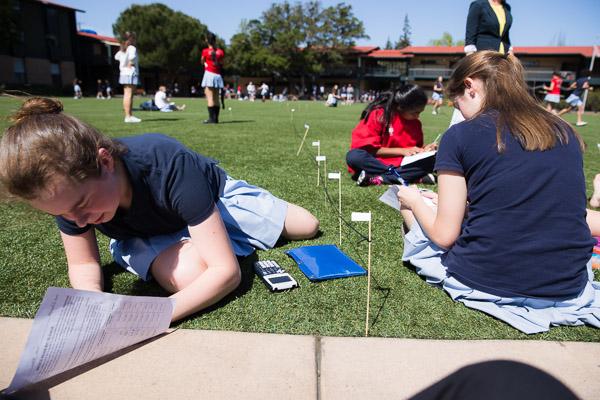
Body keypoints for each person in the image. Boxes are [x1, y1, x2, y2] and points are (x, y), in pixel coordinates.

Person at [0, 98, 320, 324]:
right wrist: (93, 300)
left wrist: (151, 316)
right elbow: (83, 263)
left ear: (106, 161)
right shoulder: (66, 196)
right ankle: (208, 239)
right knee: (194, 276)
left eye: (82, 206)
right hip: (144, 235)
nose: (79, 221)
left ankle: (217, 229)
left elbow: (227, 274)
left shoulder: (168, 163)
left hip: (212, 199)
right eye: (64, 214)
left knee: (307, 225)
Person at [397, 51, 600, 334]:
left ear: (470, 86)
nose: (460, 113)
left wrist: (415, 201)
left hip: (489, 279)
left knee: (411, 209)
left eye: (457, 104)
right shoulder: (563, 130)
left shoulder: (460, 135)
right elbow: (530, 203)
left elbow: (445, 236)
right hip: (567, 283)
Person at [346, 84, 437, 187]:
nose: (417, 116)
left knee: (435, 158)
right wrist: (402, 151)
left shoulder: (416, 123)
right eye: (414, 112)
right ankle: (410, 176)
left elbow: (414, 150)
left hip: (403, 163)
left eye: (420, 112)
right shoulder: (380, 115)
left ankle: (380, 178)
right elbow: (369, 149)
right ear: (400, 107)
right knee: (353, 156)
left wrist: (425, 150)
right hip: (378, 163)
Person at [450, 0, 513, 126]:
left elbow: (505, 36)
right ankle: (457, 128)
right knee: (473, 93)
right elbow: (470, 34)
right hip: (482, 57)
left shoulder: (507, 8)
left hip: (501, 59)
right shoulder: (478, 5)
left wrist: (510, 52)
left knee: (497, 97)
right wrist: (472, 62)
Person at [114, 31, 141, 123]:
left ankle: (128, 115)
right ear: (131, 39)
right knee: (129, 94)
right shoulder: (131, 48)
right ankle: (128, 116)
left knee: (127, 94)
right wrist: (130, 63)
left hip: (123, 73)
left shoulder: (122, 49)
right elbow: (132, 58)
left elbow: (116, 57)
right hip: (130, 72)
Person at [201, 32, 224, 124]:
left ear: (207, 40)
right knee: (216, 98)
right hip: (218, 75)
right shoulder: (220, 51)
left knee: (210, 98)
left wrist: (205, 63)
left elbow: (202, 61)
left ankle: (211, 119)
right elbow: (222, 63)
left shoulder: (205, 51)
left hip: (209, 74)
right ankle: (216, 119)